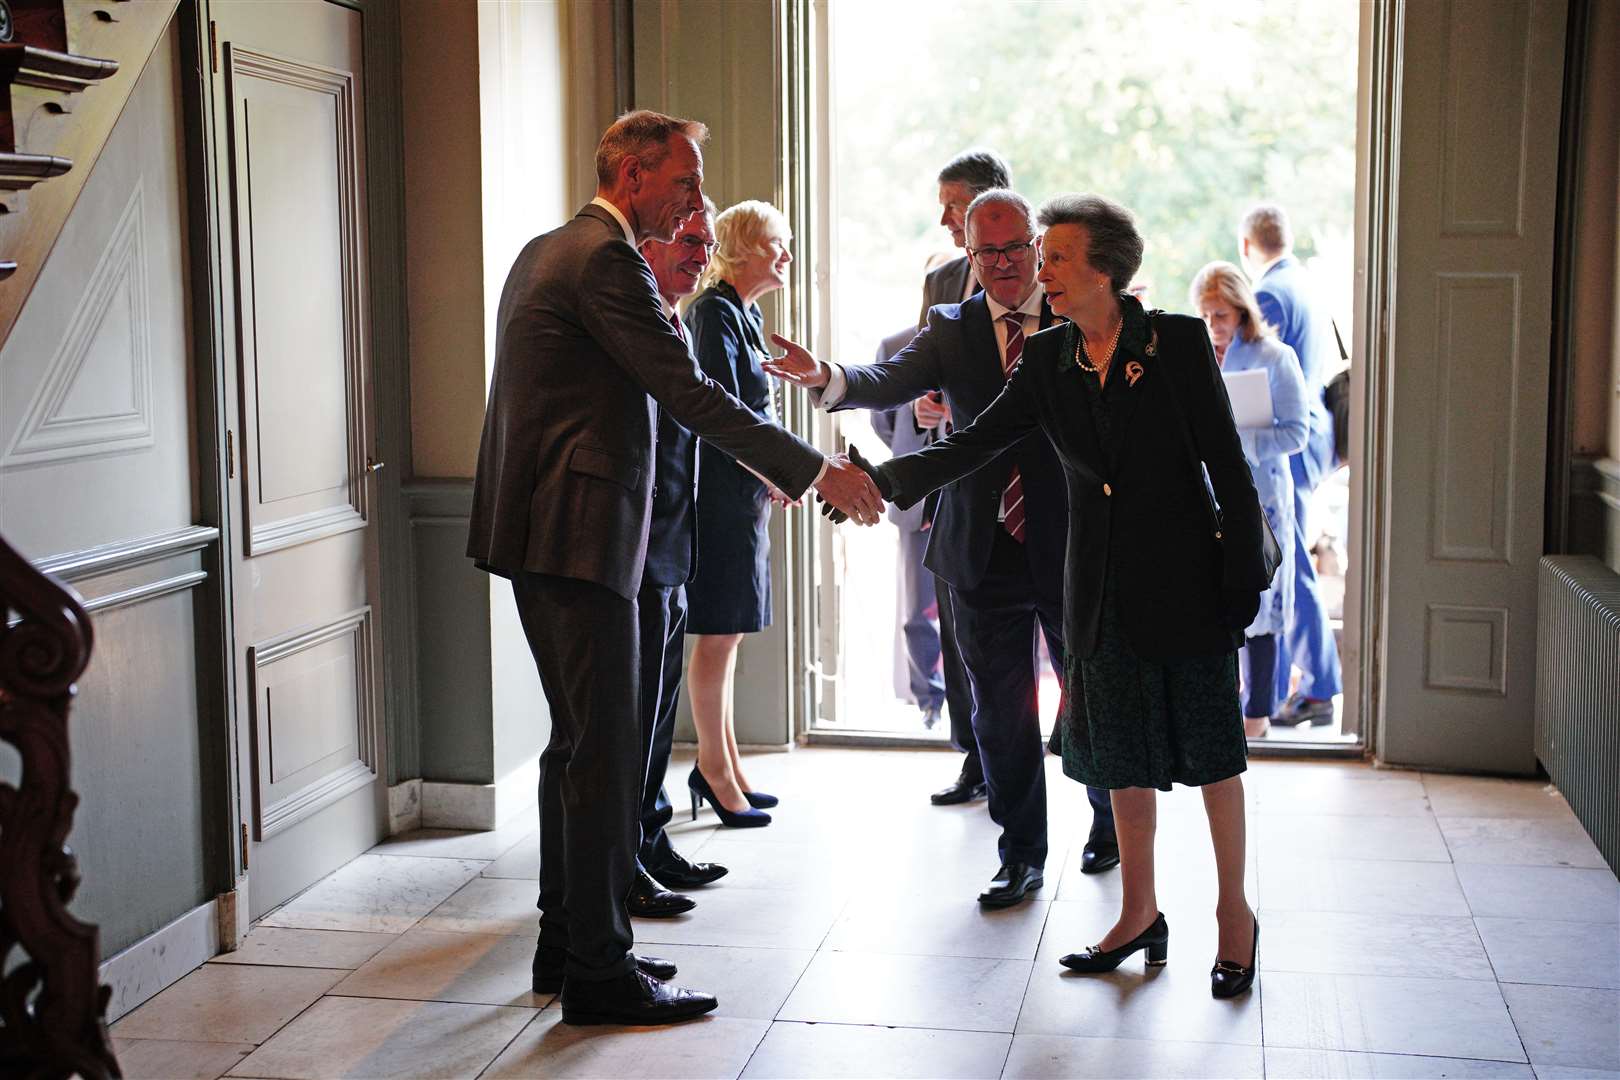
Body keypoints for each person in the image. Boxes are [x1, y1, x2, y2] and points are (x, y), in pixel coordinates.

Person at [466, 110, 882, 1026]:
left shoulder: (549, 249)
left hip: (559, 534)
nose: (698, 200)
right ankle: (599, 974)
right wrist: (819, 471)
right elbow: (689, 393)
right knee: (603, 752)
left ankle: (568, 945)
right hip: (581, 537)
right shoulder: (602, 260)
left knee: (579, 747)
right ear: (630, 172)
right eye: (686, 182)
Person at [850, 193, 1269, 998]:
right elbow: (976, 442)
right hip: (1097, 593)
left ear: (1106, 268)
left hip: (1189, 586)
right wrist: (883, 480)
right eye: (1042, 260)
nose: (1043, 273)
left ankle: (1233, 917)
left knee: (1215, 761)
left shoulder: (1177, 343)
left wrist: (1242, 578)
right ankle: (1139, 913)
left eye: (1058, 260)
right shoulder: (1048, 360)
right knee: (1121, 762)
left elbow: (1227, 466)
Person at [764, 189, 1120, 908]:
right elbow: (885, 380)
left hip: (1073, 543)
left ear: (1035, 244)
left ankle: (1112, 823)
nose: (1003, 263)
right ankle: (1020, 853)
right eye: (986, 252)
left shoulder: (1073, 311)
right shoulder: (951, 328)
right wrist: (824, 376)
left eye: (1016, 247)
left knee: (1091, 696)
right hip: (978, 549)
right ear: (969, 256)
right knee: (1000, 709)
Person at [628, 200, 731, 917]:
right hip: (628, 557)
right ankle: (626, 865)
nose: (701, 254)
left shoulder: (674, 320)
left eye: (708, 243)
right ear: (654, 244)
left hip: (673, 551)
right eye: (690, 240)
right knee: (628, 724)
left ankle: (650, 842)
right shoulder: (634, 321)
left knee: (657, 720)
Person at [683, 200, 799, 828]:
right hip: (720, 500)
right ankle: (713, 767)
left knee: (727, 635)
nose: (785, 254)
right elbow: (722, 418)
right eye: (777, 242)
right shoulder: (712, 314)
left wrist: (774, 478)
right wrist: (778, 473)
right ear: (745, 247)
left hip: (746, 499)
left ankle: (724, 762)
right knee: (718, 634)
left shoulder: (746, 314)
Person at [919, 148, 1011, 807]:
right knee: (960, 636)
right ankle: (974, 760)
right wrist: (928, 403)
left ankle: (1076, 772)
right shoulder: (941, 281)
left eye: (952, 203)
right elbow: (929, 371)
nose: (945, 217)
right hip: (962, 489)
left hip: (1031, 491)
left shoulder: (1041, 280)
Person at [1191, 261, 1309, 739]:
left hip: (1261, 495)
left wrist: (1239, 440)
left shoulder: (1275, 357)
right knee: (1213, 596)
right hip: (1203, 495)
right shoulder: (1195, 355)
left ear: (1241, 310)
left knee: (1263, 596)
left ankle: (1258, 711)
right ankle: (1221, 707)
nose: (1215, 325)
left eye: (1221, 315)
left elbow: (1298, 432)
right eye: (1206, 315)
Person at [1239, 204, 1343, 728]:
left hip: (1288, 446)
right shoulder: (1302, 282)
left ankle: (1312, 686)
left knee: (1287, 565)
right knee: (1291, 561)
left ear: (1246, 245)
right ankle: (1299, 686)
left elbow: (1261, 371)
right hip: (1314, 436)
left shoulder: (1269, 295)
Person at [868, 325, 949, 730]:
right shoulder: (895, 344)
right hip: (916, 500)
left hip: (967, 495)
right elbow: (881, 421)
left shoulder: (976, 338)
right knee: (919, 609)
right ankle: (929, 697)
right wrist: (909, 450)